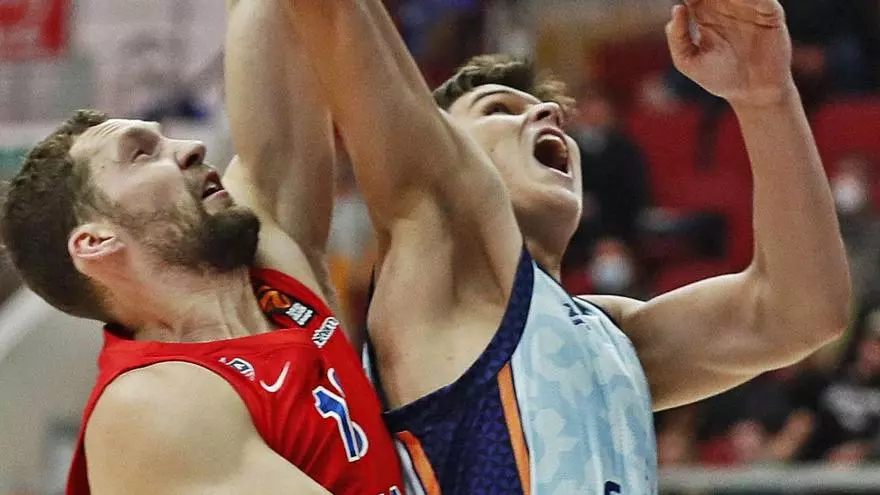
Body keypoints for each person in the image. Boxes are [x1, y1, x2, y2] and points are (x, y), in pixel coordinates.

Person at [287, 0, 849, 493]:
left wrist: (766, 96)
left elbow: (800, 311)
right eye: (498, 110)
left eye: (545, 109)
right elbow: (336, 17)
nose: (547, 112)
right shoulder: (435, 264)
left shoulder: (611, 334)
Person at [0, 1, 403, 493]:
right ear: (96, 241)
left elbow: (271, 17)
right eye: (141, 155)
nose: (190, 148)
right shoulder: (149, 405)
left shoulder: (270, 274)